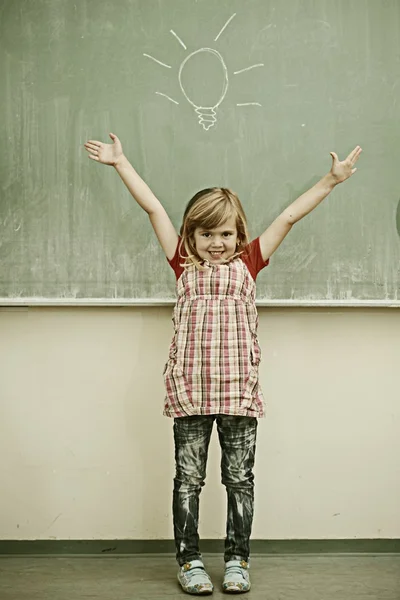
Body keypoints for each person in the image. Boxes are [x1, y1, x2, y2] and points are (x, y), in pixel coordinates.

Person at [84, 134, 361, 595]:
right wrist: (121, 163)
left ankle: (237, 561)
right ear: (191, 236)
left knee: (239, 480)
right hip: (190, 393)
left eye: (226, 234)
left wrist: (330, 182)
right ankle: (189, 561)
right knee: (188, 480)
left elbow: (290, 215)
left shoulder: (250, 261)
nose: (217, 243)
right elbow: (154, 208)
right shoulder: (182, 264)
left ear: (240, 235)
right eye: (207, 234)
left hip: (238, 394)